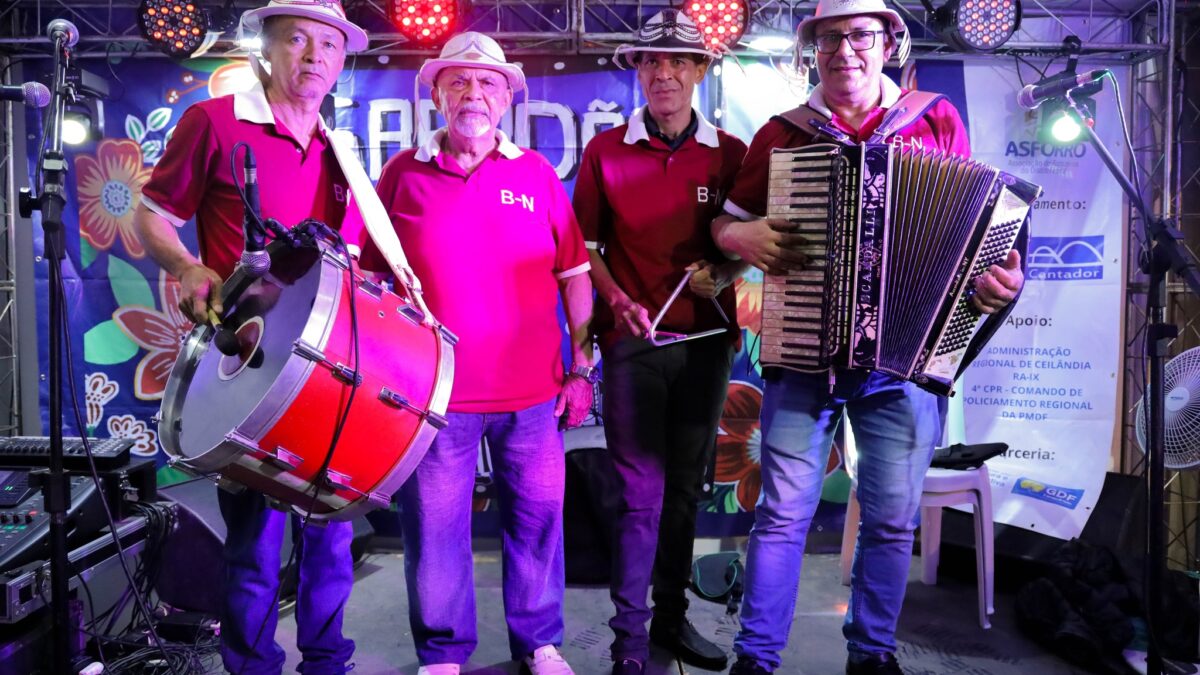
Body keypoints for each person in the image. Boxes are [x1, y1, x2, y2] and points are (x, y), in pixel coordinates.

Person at [709, 0, 1025, 673]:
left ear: (888, 43)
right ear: (810, 49)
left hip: (900, 363)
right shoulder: (782, 133)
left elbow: (969, 239)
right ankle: (756, 657)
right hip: (800, 357)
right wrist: (744, 235)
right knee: (782, 515)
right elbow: (725, 228)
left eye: (858, 35)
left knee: (889, 519)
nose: (842, 49)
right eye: (828, 37)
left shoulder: (933, 118)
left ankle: (872, 653)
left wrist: (996, 284)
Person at [133, 1, 368, 673]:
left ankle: (328, 663)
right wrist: (185, 264)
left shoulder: (338, 148)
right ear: (266, 48)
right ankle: (253, 666)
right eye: (296, 39)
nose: (314, 55)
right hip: (249, 371)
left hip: (328, 376)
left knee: (329, 543)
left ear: (342, 59)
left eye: (328, 44)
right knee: (256, 550)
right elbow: (153, 215)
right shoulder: (214, 122)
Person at [357, 31, 594, 675]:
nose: (474, 93)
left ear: (507, 98)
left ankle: (538, 643)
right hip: (436, 398)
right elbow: (375, 284)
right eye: (458, 81)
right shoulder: (401, 174)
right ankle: (441, 653)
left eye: (488, 83)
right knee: (435, 532)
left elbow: (574, 275)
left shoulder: (537, 174)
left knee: (538, 523)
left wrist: (581, 367)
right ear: (435, 93)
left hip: (534, 394)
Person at [571, 9, 747, 675]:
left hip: (707, 345)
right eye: (650, 61)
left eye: (678, 60)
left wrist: (726, 271)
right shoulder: (605, 151)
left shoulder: (731, 153)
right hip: (634, 345)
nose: (664, 72)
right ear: (637, 72)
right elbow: (584, 249)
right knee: (639, 494)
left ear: (700, 70)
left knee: (682, 493)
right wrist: (616, 299)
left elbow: (747, 244)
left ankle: (672, 621)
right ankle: (631, 641)